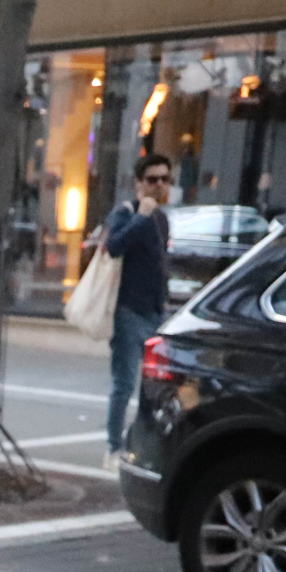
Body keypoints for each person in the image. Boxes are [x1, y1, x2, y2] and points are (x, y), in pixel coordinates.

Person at [101, 151, 173, 468]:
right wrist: (141, 215)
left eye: (164, 179)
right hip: (129, 311)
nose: (158, 185)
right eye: (152, 179)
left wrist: (164, 304)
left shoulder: (162, 218)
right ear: (139, 183)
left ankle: (142, 447)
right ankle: (113, 447)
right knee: (124, 384)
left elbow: (159, 266)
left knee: (154, 389)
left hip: (155, 313)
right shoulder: (128, 212)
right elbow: (113, 245)